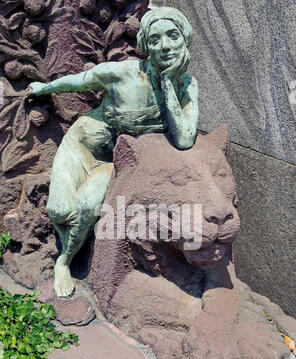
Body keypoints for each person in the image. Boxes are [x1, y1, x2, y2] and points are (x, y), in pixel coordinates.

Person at [28, 7, 199, 298]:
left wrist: (168, 83)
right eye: (155, 39)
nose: (166, 46)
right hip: (81, 146)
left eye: (173, 37)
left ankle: (64, 261)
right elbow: (78, 81)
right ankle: (70, 241)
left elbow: (184, 139)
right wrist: (44, 88)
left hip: (112, 162)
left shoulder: (187, 85)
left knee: (84, 207)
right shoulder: (120, 73)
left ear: (184, 41)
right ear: (145, 46)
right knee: (58, 209)